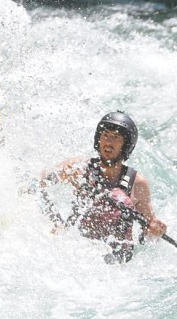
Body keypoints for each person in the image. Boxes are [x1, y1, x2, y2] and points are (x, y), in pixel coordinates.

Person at [39, 111, 167, 263]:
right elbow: (41, 183)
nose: (108, 142)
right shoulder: (79, 168)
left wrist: (155, 230)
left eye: (116, 138)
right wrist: (55, 222)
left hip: (117, 262)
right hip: (77, 253)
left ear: (126, 145)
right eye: (105, 135)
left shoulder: (137, 183)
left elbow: (149, 231)